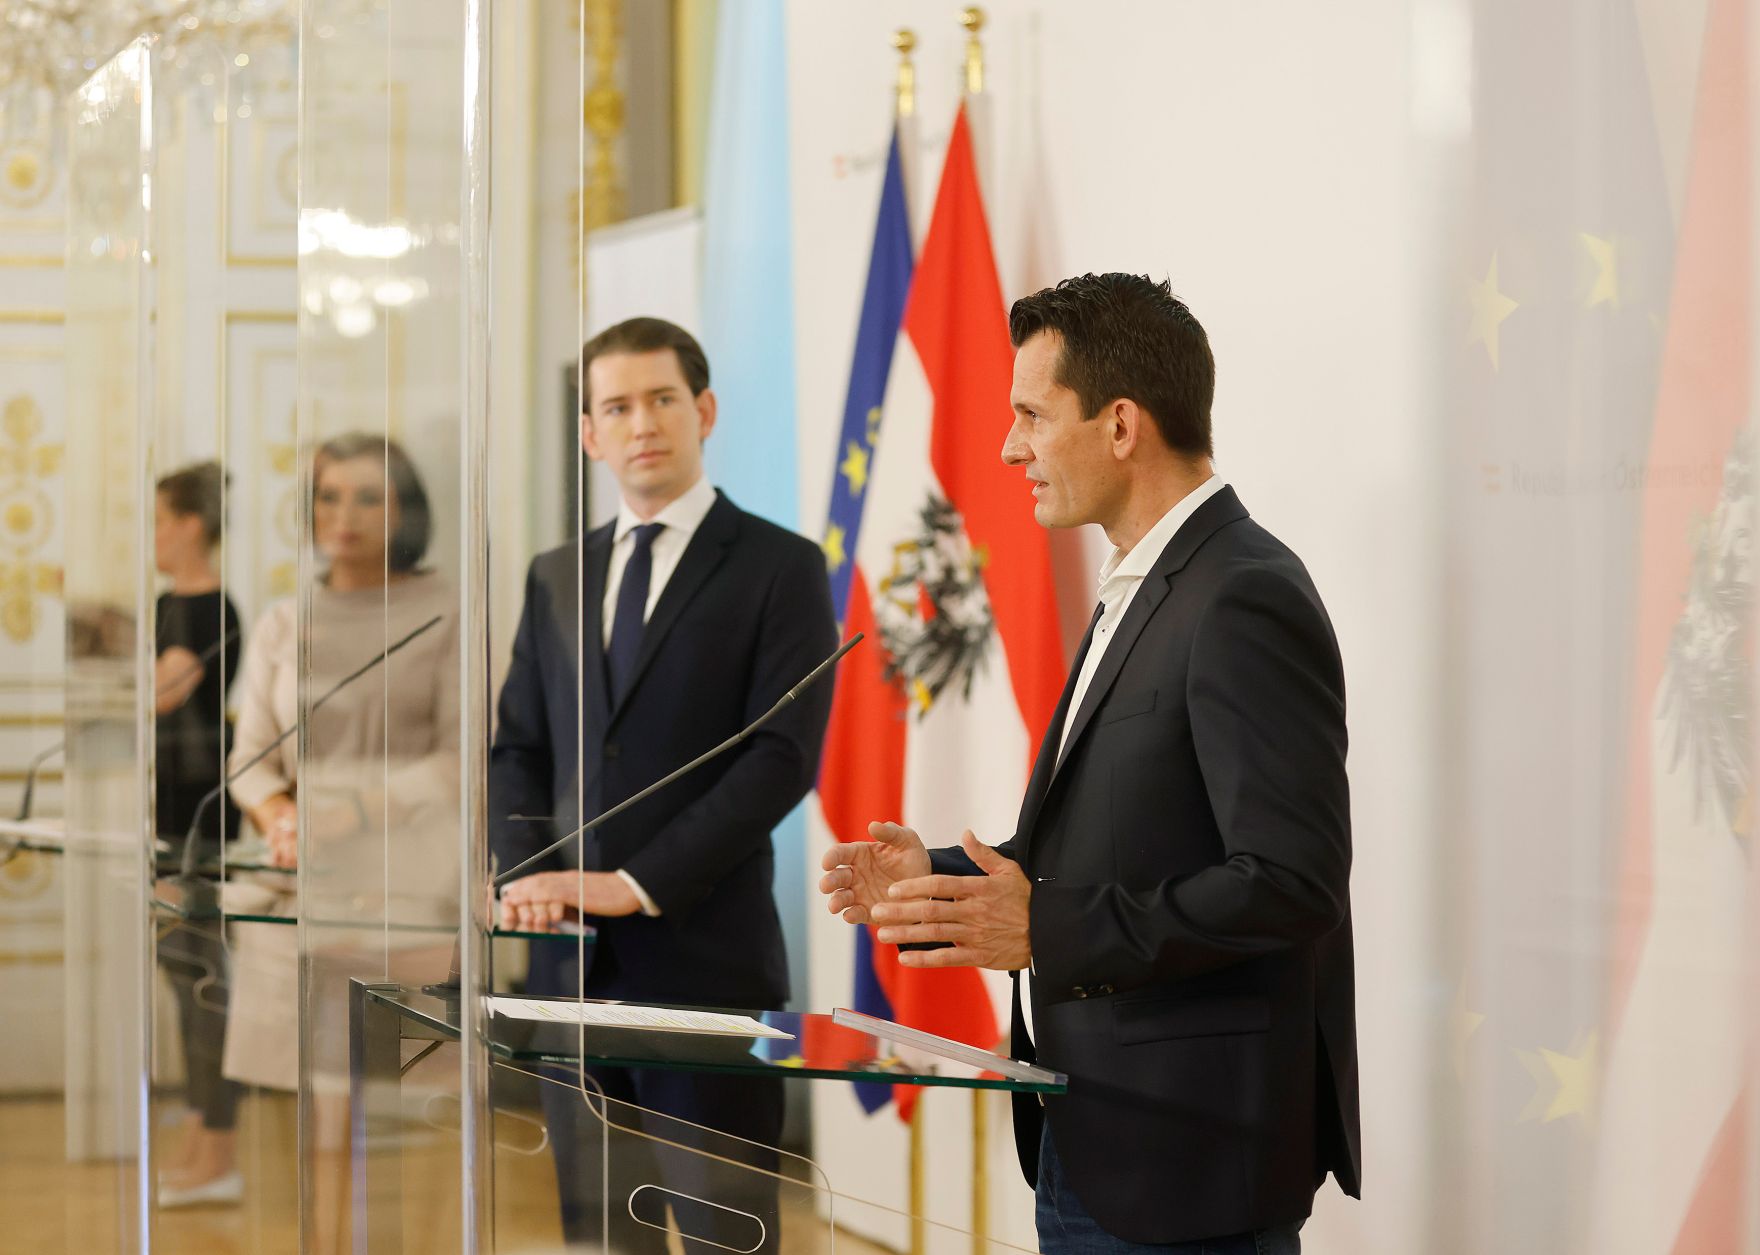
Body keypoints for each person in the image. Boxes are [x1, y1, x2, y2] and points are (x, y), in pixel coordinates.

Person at [820, 274, 1359, 1254]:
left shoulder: (1241, 596)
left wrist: (1046, 928)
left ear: (1119, 425)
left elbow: (1291, 881)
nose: (1006, 447)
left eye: (1030, 414)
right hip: (1093, 1129)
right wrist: (935, 878)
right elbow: (1111, 838)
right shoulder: (1145, 583)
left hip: (1185, 1160)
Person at [492, 316, 837, 1252]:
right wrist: (528, 876)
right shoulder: (555, 575)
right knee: (603, 1234)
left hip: (706, 965)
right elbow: (518, 747)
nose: (641, 421)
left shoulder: (781, 566)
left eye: (662, 398)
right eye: (616, 406)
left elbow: (781, 758)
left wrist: (634, 885)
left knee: (728, 1235)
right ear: (590, 434)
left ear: (705, 410)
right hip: (566, 971)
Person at [225, 432, 459, 1252]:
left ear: (406, 511)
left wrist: (354, 811)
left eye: (369, 497)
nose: (345, 516)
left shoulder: (447, 609)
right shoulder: (285, 618)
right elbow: (249, 758)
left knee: (410, 1125)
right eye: (329, 496)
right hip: (300, 897)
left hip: (409, 898)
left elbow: (467, 759)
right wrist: (281, 814)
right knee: (317, 1121)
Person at [151, 461, 246, 1208]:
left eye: (159, 520)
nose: (153, 536)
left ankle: (220, 1148)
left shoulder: (217, 609)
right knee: (183, 984)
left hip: (201, 827)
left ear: (190, 524)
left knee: (204, 986)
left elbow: (160, 694)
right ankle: (198, 1138)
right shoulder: (164, 606)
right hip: (165, 824)